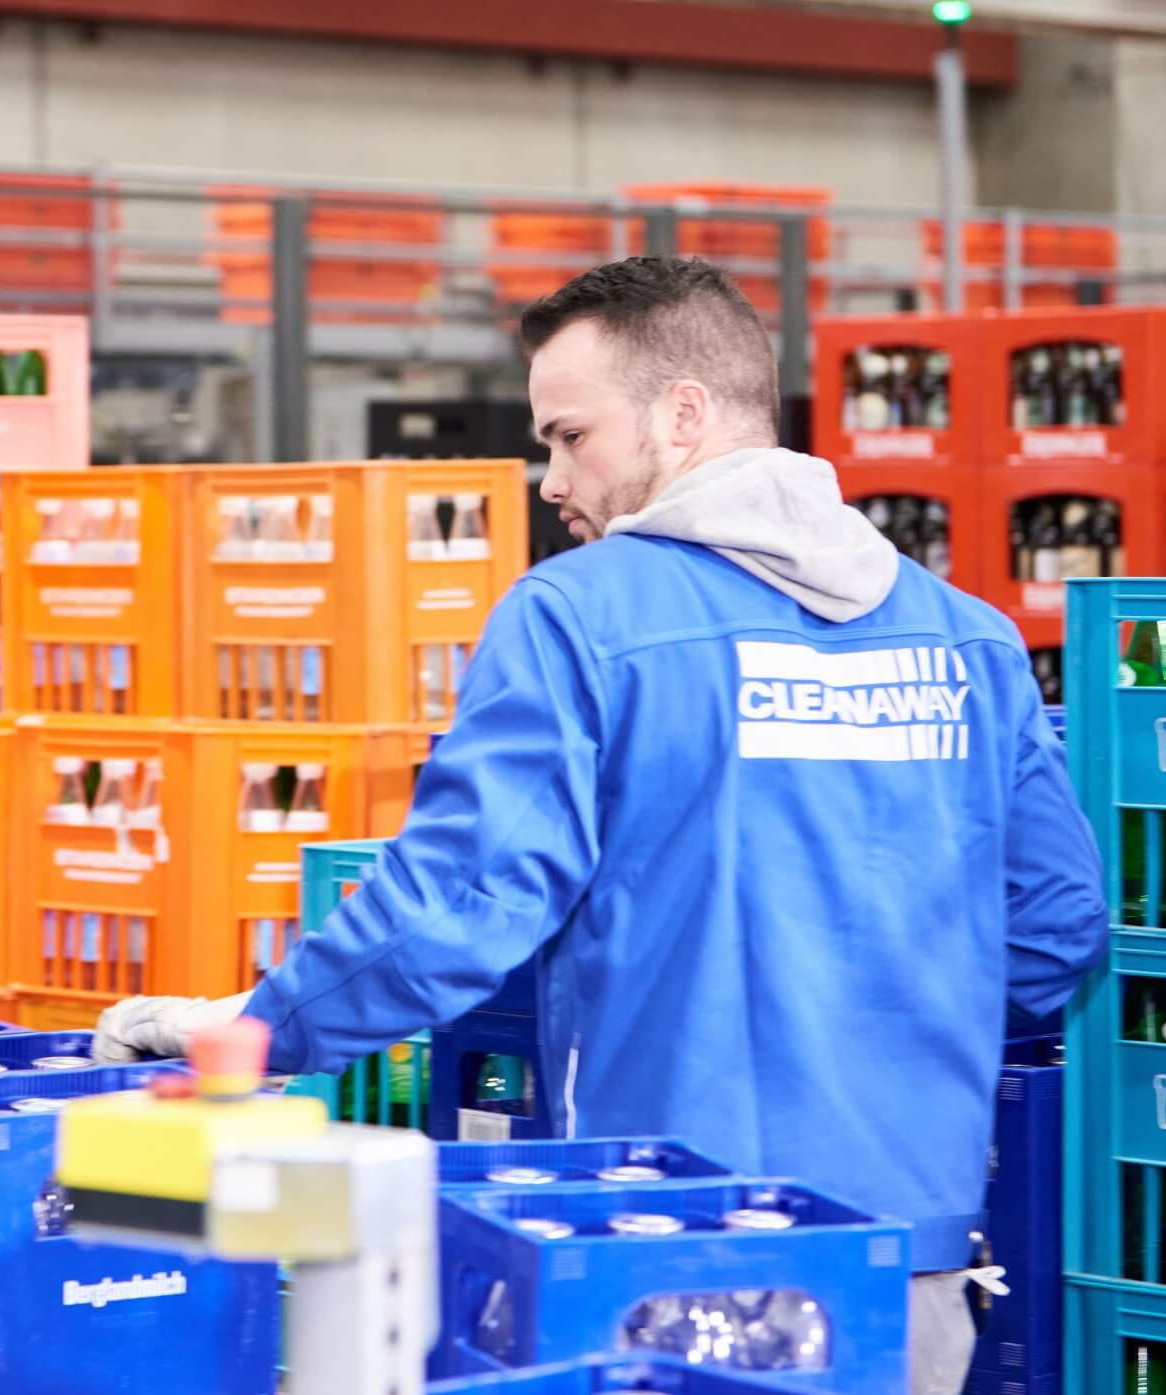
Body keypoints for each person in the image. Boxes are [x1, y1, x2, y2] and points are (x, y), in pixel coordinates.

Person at [93, 256, 1108, 1395]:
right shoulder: (964, 639)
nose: (548, 477)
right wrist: (881, 1023)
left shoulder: (579, 616)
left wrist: (252, 1031)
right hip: (914, 1259)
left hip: (675, 1248)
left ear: (681, 415)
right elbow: (1059, 927)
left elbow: (456, 908)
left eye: (569, 437)